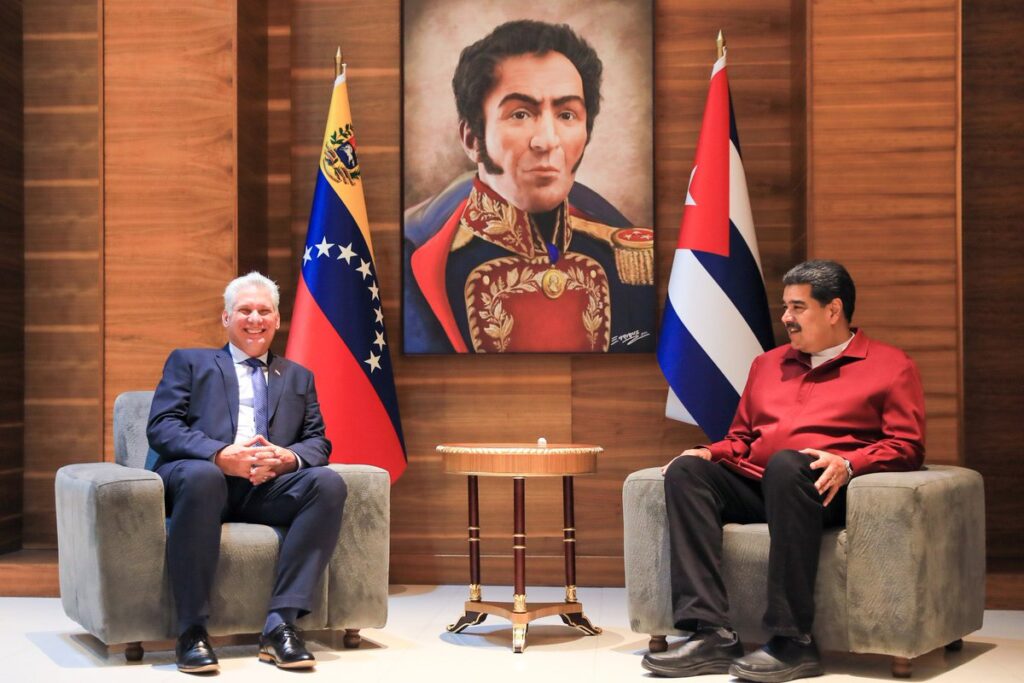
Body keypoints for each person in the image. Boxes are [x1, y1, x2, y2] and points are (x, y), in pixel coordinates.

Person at [642, 260, 926, 682]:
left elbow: (908, 445)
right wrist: (707, 451)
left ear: (833, 310)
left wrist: (849, 464)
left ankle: (794, 641)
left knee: (789, 463)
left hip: (819, 490)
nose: (786, 318)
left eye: (797, 307)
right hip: (760, 484)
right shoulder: (767, 364)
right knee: (686, 471)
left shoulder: (891, 365)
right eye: (785, 307)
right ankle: (712, 633)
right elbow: (741, 437)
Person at [403, 19, 655, 353]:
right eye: (520, 114)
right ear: (471, 138)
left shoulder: (626, 259)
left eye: (567, 115)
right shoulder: (416, 263)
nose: (548, 141)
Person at [146, 272, 347, 673]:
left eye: (264, 311)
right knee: (204, 478)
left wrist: (287, 458)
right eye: (245, 310)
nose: (255, 319)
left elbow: (318, 442)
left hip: (265, 489)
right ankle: (192, 631)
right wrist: (220, 455)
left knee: (328, 483)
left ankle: (281, 626)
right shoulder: (190, 362)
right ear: (226, 318)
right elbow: (162, 426)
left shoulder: (297, 376)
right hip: (200, 484)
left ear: (277, 320)